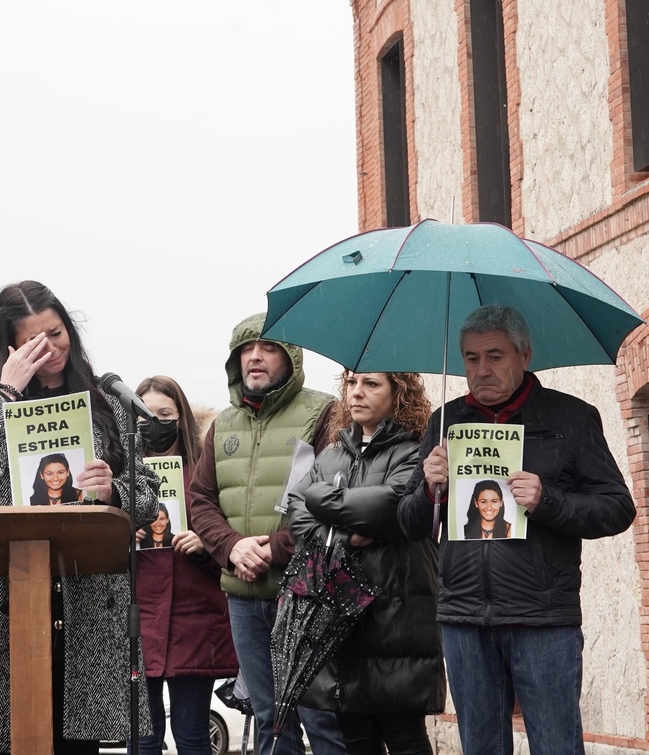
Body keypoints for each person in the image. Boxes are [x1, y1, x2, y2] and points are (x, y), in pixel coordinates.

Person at [0, 280, 158, 754]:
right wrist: (7, 392)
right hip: (2, 605)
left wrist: (113, 488)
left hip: (86, 608)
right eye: (35, 340)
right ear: (11, 347)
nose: (50, 348)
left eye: (57, 332)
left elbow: (149, 494)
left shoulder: (107, 404)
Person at [397, 304, 636, 755]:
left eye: (495, 356)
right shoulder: (445, 423)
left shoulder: (571, 418)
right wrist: (430, 489)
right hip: (465, 617)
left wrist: (548, 500)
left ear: (524, 355)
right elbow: (409, 524)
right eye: (471, 358)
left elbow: (617, 509)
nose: (481, 370)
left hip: (542, 618)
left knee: (555, 745)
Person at [188, 313, 345, 755]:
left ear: (290, 357)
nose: (254, 357)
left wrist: (274, 549)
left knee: (322, 717)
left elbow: (330, 497)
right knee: (269, 717)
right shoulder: (222, 425)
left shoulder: (324, 413)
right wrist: (232, 546)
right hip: (243, 594)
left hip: (305, 594)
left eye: (268, 347)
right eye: (246, 349)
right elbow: (200, 499)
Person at [287, 371, 444, 755]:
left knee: (405, 737)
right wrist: (344, 534)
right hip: (342, 619)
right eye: (352, 383)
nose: (357, 392)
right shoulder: (332, 453)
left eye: (371, 384)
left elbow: (388, 508)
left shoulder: (416, 450)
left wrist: (321, 498)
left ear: (399, 394)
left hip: (397, 618)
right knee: (356, 741)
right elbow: (294, 511)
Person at [132, 375, 238, 755]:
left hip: (194, 619)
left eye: (164, 413)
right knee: (143, 736)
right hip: (138, 620)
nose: (154, 423)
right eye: (144, 415)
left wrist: (206, 544)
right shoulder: (120, 480)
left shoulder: (206, 476)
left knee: (192, 732)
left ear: (181, 419)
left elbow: (232, 549)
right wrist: (124, 540)